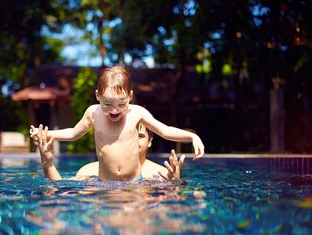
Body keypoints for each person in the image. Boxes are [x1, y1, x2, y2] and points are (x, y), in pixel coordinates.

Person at [30, 65, 204, 181]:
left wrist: (192, 136)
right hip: (105, 183)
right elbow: (73, 133)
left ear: (130, 96)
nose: (114, 110)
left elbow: (165, 131)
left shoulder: (137, 113)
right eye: (107, 104)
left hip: (135, 182)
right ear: (98, 96)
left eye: (121, 104)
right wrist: (46, 134)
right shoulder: (93, 113)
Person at [33, 123, 185, 181]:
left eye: (139, 136)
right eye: (127, 135)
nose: (131, 141)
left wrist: (175, 184)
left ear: (150, 141)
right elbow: (59, 192)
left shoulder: (161, 173)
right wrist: (48, 164)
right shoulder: (89, 170)